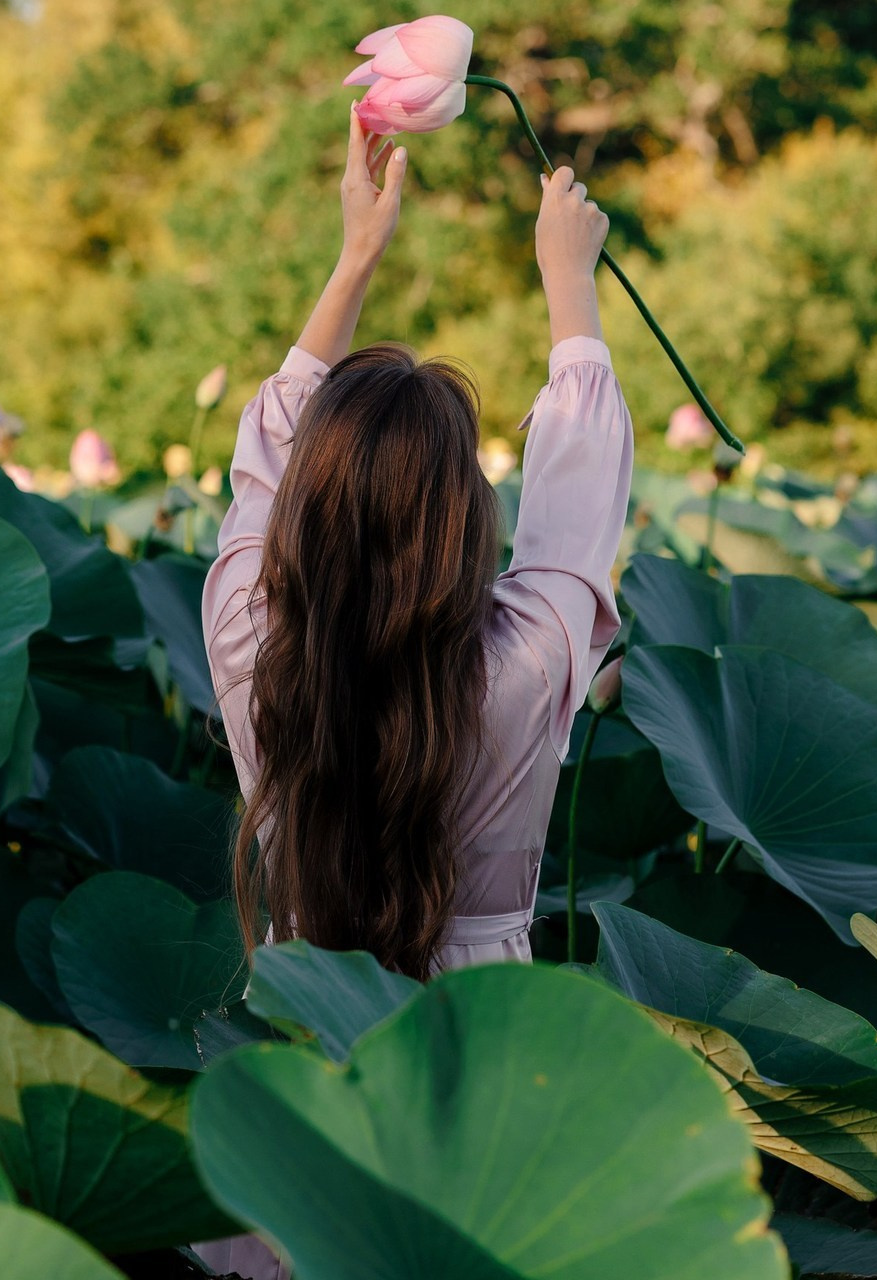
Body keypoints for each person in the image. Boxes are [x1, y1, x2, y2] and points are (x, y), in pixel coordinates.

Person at [193, 106, 632, 1274]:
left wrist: (354, 255)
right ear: (460, 526)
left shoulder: (246, 636)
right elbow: (579, 502)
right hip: (487, 1052)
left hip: (302, 1025)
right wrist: (566, 285)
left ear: (302, 512)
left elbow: (269, 437)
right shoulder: (527, 658)